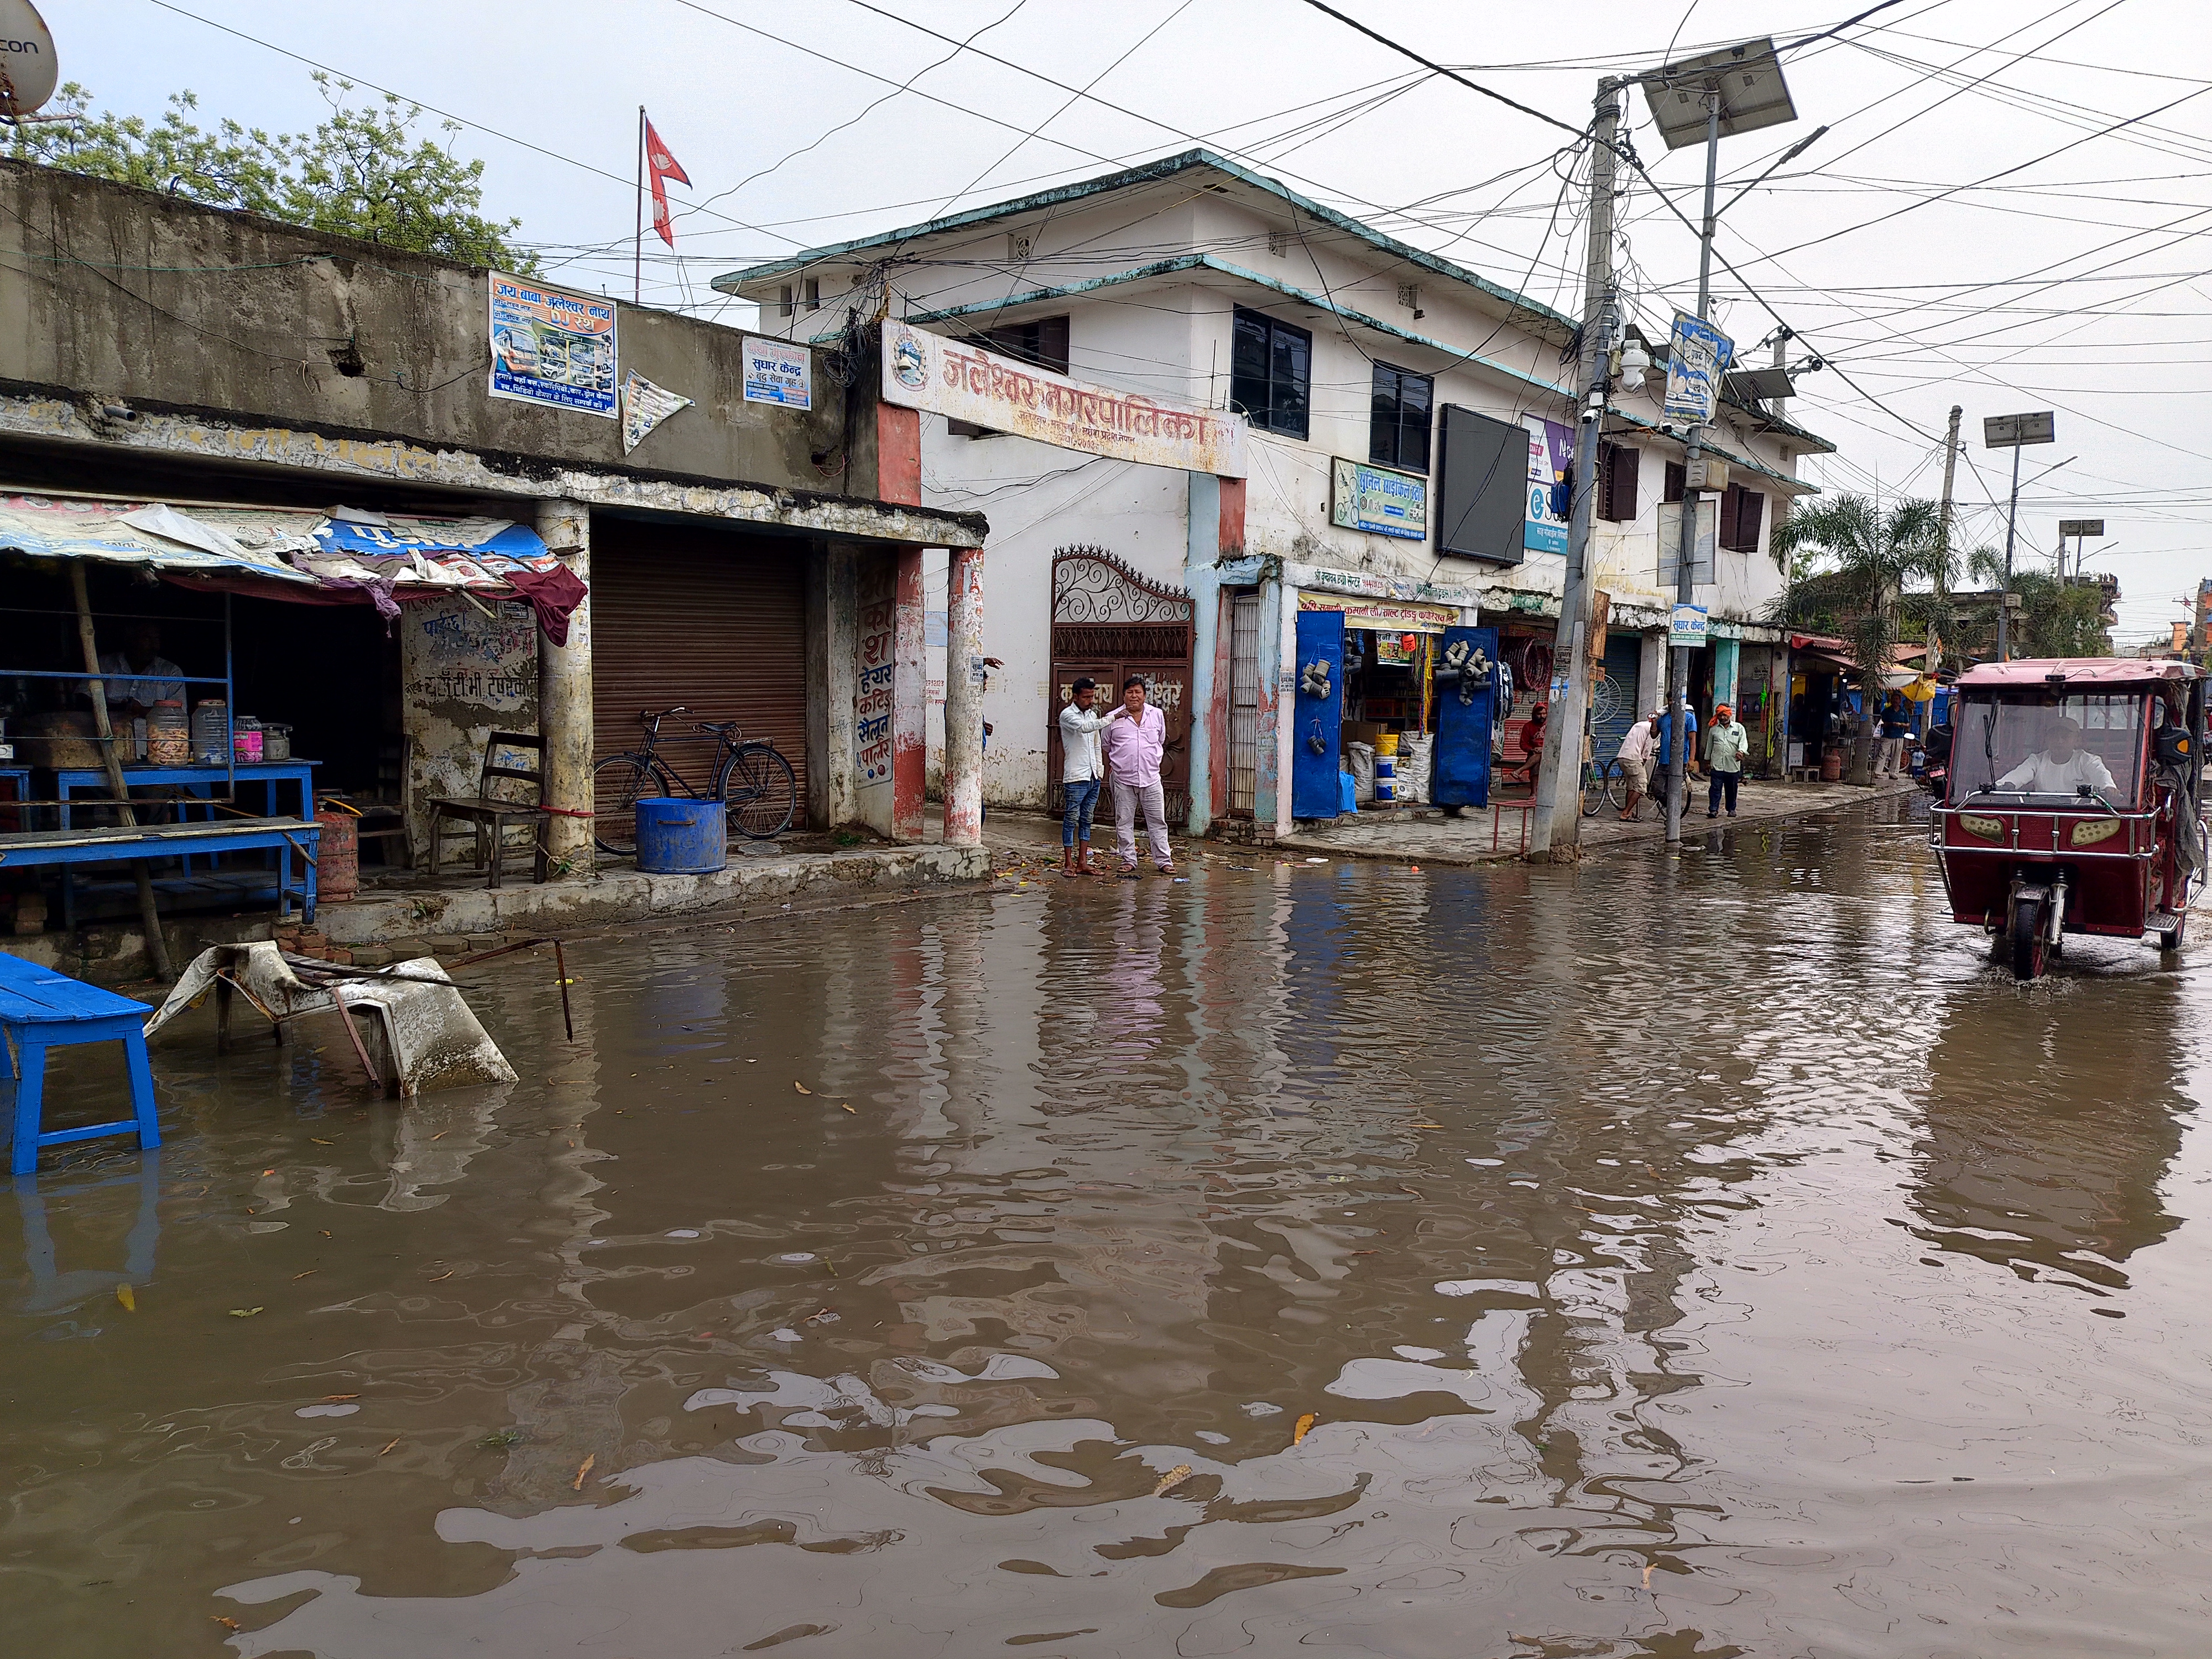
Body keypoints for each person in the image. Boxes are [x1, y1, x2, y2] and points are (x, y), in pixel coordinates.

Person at [1101, 675, 1173, 878]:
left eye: (1138, 692)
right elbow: (1106, 745)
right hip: (1123, 779)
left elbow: (1160, 739)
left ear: (1144, 695)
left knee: (1158, 822)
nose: (1134, 696)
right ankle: (1128, 860)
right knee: (1124, 821)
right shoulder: (1112, 718)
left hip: (1151, 778)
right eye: (1130, 692)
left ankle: (1164, 861)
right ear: (1124, 695)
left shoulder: (1156, 714)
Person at [1057, 676, 1108, 876]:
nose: (1090, 700)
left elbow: (1097, 745)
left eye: (1092, 696)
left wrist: (1100, 771)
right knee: (1071, 818)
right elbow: (1086, 728)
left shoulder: (1092, 715)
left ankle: (1083, 863)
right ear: (1076, 696)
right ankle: (1068, 863)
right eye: (1086, 697)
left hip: (1093, 776)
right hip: (1076, 776)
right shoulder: (1067, 715)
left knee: (1087, 819)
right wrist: (1113, 717)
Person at [1994, 715, 2117, 795]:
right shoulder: (2036, 761)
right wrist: (2000, 786)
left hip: (2080, 818)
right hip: (2043, 815)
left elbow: (2101, 775)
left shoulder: (2087, 761)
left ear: (2077, 740)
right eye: (2054, 736)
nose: (2059, 741)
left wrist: (2108, 788)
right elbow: (2017, 776)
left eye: (2065, 736)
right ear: (2046, 739)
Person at [97, 621, 184, 718]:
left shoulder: (171, 672)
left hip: (152, 733)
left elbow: (178, 714)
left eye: (157, 639)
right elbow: (82, 698)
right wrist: (119, 707)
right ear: (130, 639)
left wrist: (141, 710)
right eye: (146, 638)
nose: (154, 645)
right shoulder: (105, 664)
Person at [1706, 701, 1749, 817]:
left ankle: (1731, 809)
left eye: (1725, 715)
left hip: (1733, 765)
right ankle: (1713, 810)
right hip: (1717, 765)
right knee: (1715, 789)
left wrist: (1741, 751)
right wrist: (1707, 761)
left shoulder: (1739, 728)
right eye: (1720, 715)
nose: (1723, 717)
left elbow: (1743, 743)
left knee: (1731, 790)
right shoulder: (1713, 730)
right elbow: (1709, 747)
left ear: (1730, 714)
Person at [1654, 700, 1700, 808]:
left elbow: (1692, 739)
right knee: (1657, 788)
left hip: (1680, 761)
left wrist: (1691, 759)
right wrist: (1654, 722)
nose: (1672, 703)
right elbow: (1654, 735)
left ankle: (1673, 813)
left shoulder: (1689, 718)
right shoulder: (1664, 718)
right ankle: (1672, 808)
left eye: (1674, 700)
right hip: (1663, 761)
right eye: (1670, 700)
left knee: (1674, 789)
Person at [1615, 712, 1658, 821]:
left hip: (1622, 756)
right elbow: (1647, 748)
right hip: (1634, 758)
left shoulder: (1638, 725)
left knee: (1631, 786)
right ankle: (1625, 813)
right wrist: (1644, 760)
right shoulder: (1652, 729)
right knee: (1641, 786)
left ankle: (1628, 811)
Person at [1876, 692, 1911, 779]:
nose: (1895, 701)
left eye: (1897, 699)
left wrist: (1901, 725)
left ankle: (1893, 773)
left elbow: (1908, 724)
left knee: (1897, 755)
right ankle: (1878, 772)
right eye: (1894, 699)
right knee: (1882, 753)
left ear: (1900, 701)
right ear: (1891, 701)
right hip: (1887, 736)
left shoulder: (1903, 712)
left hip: (1899, 736)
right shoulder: (1886, 711)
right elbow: (1881, 723)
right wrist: (1891, 724)